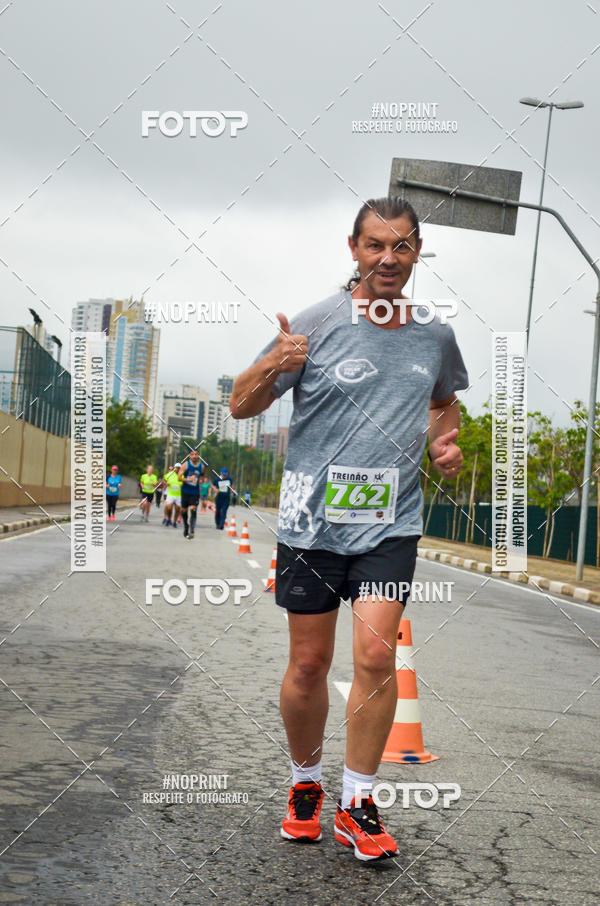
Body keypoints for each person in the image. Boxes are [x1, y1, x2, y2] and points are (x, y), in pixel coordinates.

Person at [229, 197, 468, 861]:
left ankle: (357, 801)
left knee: (374, 657)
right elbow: (240, 404)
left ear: (418, 254)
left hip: (391, 524)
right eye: (375, 246)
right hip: (311, 521)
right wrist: (274, 363)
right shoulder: (314, 324)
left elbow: (445, 405)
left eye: (402, 247)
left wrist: (445, 447)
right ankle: (305, 784)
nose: (388, 260)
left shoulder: (435, 337)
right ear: (354, 249)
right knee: (309, 664)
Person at [178, 450, 204, 539]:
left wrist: (200, 480)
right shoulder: (185, 465)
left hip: (195, 492)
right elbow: (179, 478)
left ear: (198, 456)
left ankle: (192, 530)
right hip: (185, 491)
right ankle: (186, 526)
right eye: (192, 454)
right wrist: (188, 479)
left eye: (196, 454)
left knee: (193, 510)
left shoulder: (201, 466)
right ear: (189, 456)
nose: (194, 456)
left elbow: (202, 477)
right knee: (183, 511)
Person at [162, 463, 183, 527]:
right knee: (169, 508)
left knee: (177, 509)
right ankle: (168, 519)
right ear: (174, 468)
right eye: (176, 467)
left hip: (178, 495)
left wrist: (181, 485)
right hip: (170, 494)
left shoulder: (182, 475)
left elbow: (183, 483)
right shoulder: (169, 474)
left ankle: (174, 522)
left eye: (179, 468)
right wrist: (166, 484)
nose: (177, 469)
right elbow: (164, 481)